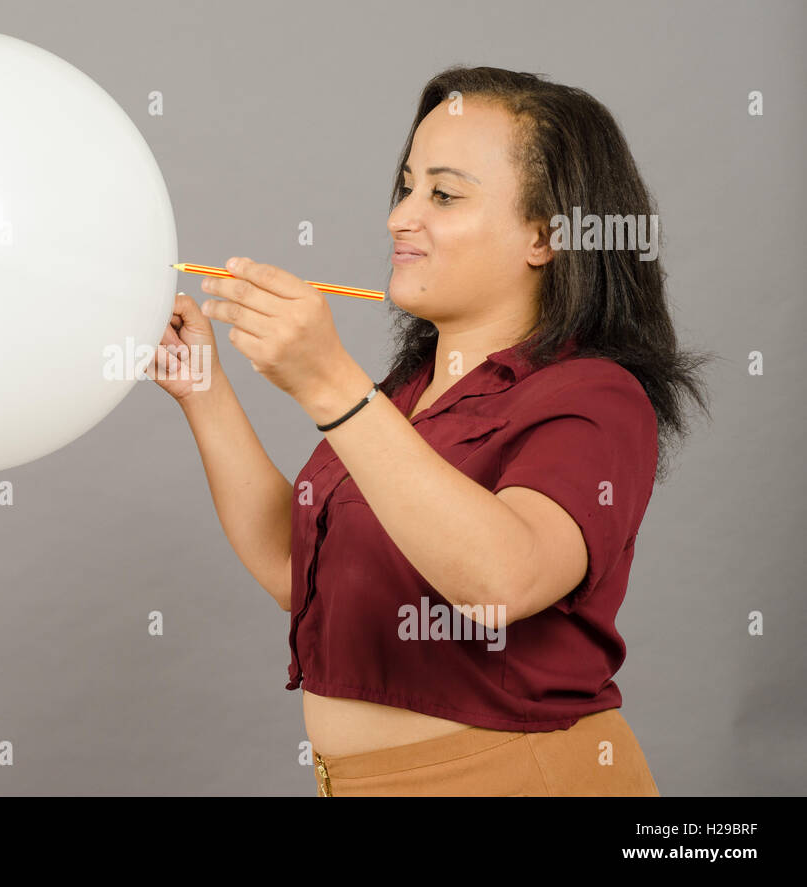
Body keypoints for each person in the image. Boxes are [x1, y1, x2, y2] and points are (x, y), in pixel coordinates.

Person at [147, 66, 712, 796]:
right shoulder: (408, 395)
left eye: (443, 194)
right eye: (407, 185)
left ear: (545, 235)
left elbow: (502, 579)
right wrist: (204, 390)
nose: (399, 216)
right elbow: (298, 572)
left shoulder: (597, 397)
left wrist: (329, 385)